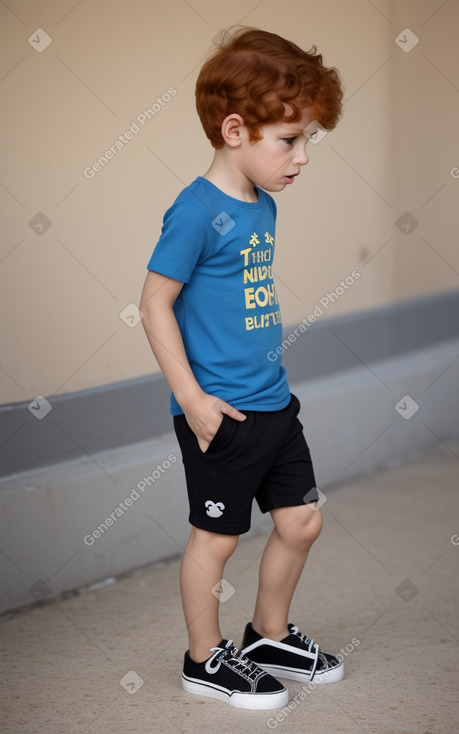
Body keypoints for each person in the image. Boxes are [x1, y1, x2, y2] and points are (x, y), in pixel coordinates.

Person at [140, 26, 344, 710]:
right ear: (235, 130)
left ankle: (267, 634)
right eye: (290, 140)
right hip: (220, 412)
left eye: (308, 139)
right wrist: (191, 399)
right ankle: (203, 659)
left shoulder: (263, 206)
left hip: (272, 402)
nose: (302, 157)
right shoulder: (195, 211)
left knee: (301, 522)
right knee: (217, 538)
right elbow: (154, 303)